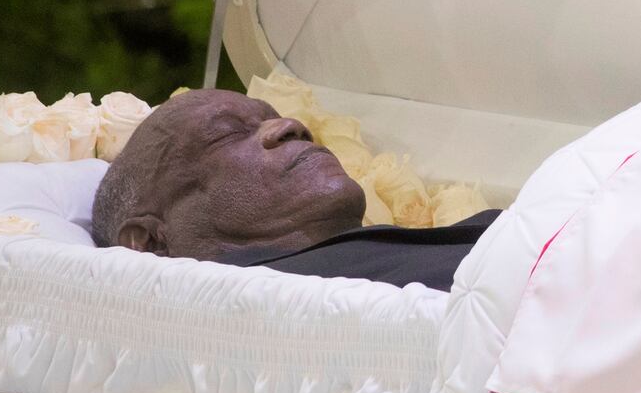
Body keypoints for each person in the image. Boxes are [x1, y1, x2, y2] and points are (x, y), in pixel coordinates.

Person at [89, 90, 492, 286]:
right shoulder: (289, 303)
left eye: (276, 116)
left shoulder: (361, 262)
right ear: (152, 242)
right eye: (228, 134)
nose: (291, 126)